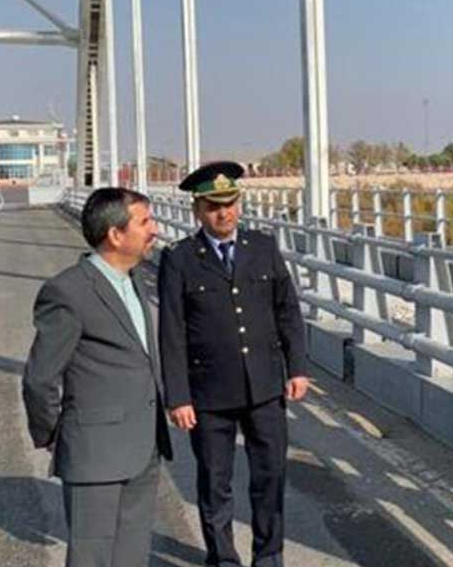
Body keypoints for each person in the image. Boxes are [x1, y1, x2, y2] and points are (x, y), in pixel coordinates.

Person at [159, 161, 309, 567]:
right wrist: (178, 397)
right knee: (215, 483)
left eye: (229, 203)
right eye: (212, 206)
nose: (223, 214)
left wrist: (297, 367)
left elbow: (287, 312)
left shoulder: (262, 247)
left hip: (264, 387)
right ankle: (223, 559)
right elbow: (171, 333)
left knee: (270, 478)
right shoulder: (181, 259)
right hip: (208, 394)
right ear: (197, 210)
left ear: (239, 203)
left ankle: (269, 557)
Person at [22, 187, 173, 566]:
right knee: (92, 558)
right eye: (145, 221)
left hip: (143, 447)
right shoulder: (68, 291)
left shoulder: (134, 281)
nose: (154, 229)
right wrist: (57, 435)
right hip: (94, 453)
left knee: (132, 556)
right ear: (115, 235)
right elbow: (40, 378)